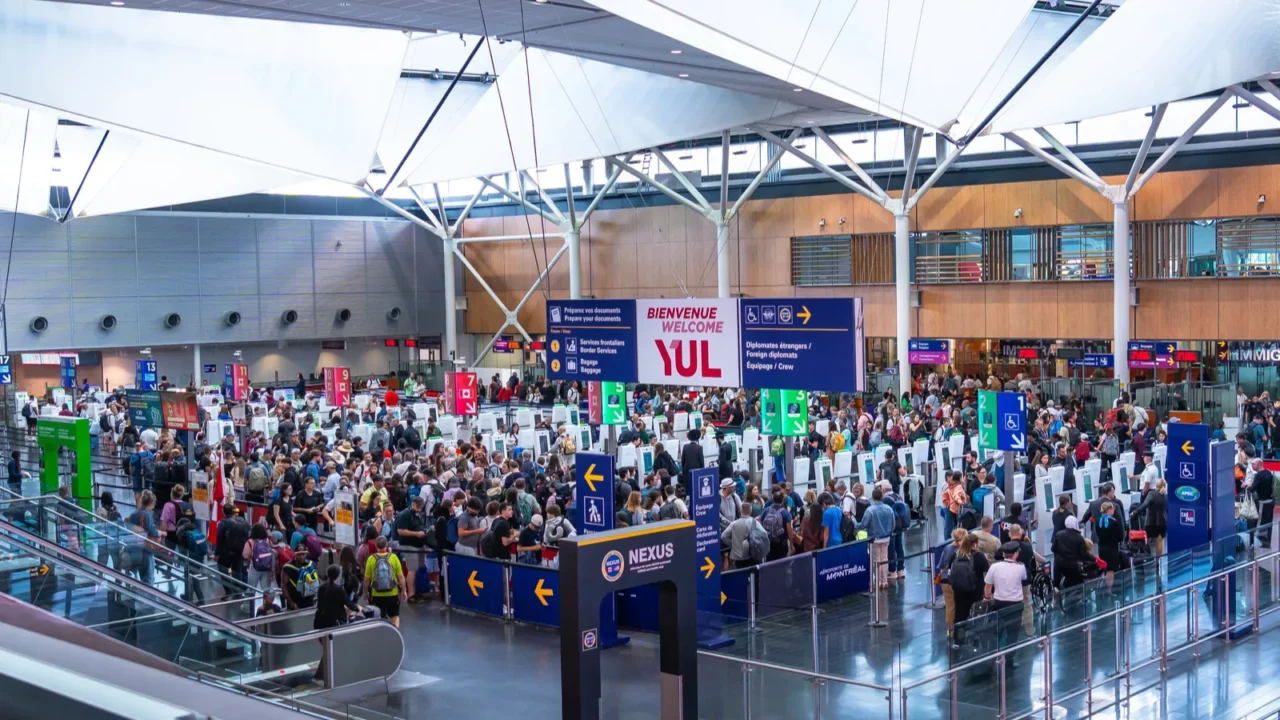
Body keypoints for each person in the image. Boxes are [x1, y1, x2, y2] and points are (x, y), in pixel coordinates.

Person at [314, 564, 362, 682]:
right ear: (337, 575)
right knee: (331, 648)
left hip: (319, 621)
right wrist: (358, 608)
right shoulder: (339, 589)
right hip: (332, 622)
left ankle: (322, 674)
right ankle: (323, 675)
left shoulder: (322, 588)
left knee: (327, 648)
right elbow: (349, 604)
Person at [984, 542, 1028, 649]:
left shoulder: (994, 566)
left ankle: (994, 655)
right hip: (1015, 605)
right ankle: (1009, 660)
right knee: (1013, 634)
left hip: (999, 603)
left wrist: (988, 598)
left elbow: (988, 587)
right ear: (1015, 554)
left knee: (997, 631)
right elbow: (1024, 578)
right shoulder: (1021, 567)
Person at [949, 535, 990, 647]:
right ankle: (974, 639)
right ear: (975, 544)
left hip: (959, 591)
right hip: (975, 590)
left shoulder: (955, 556)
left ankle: (957, 640)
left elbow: (950, 571)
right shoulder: (979, 556)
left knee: (959, 612)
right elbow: (987, 572)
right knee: (976, 613)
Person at [856, 487, 897, 589]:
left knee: (876, 560)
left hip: (874, 539)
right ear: (882, 496)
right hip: (886, 537)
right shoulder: (889, 509)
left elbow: (864, 524)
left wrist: (853, 524)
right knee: (884, 559)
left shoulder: (870, 510)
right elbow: (893, 524)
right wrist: (889, 533)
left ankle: (878, 582)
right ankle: (884, 581)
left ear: (873, 497)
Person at [363, 535, 406, 627]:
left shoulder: (371, 559)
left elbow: (367, 579)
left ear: (376, 546)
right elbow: (401, 577)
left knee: (378, 617)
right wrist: (404, 591)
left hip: (376, 594)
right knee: (394, 616)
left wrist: (365, 592)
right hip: (392, 593)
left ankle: (381, 637)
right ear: (387, 545)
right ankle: (395, 635)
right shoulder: (393, 557)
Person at [396, 495, 430, 603]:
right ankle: (411, 594)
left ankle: (418, 590)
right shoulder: (405, 514)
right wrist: (416, 534)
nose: (419, 509)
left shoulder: (417, 514)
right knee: (412, 569)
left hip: (418, 545)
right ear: (413, 504)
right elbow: (401, 531)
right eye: (417, 506)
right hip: (408, 545)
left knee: (419, 568)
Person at [938, 528, 967, 631]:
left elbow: (941, 566)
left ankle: (950, 630)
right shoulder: (965, 551)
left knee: (950, 607)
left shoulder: (947, 548)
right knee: (960, 606)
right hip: (958, 582)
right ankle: (960, 629)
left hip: (945, 581)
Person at [216, 502, 251, 587]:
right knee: (237, 570)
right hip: (240, 551)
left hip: (226, 552)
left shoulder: (222, 523)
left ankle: (228, 589)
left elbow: (219, 539)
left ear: (223, 512)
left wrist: (217, 553)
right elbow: (248, 535)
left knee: (223, 570)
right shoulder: (243, 521)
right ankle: (237, 589)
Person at [1051, 515, 1090, 590]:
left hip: (1059, 565)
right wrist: (1094, 558)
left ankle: (1056, 588)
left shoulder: (1058, 534)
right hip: (1072, 567)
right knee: (1076, 581)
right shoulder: (1079, 538)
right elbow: (1084, 555)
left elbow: (1053, 549)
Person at [760, 491, 800, 561]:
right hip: (780, 544)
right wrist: (791, 544)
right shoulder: (785, 513)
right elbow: (789, 530)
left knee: (769, 563)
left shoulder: (766, 510)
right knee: (781, 563)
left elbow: (760, 524)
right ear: (783, 500)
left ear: (773, 499)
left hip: (768, 542)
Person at [721, 503, 762, 569]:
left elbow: (723, 536)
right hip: (753, 555)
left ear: (740, 511)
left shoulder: (734, 524)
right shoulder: (756, 523)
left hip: (740, 556)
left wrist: (733, 544)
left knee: (741, 575)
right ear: (751, 511)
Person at [281, 545, 320, 610]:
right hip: (295, 601)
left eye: (303, 554)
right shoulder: (288, 567)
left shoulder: (311, 564)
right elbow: (283, 585)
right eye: (299, 554)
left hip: (309, 599)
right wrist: (290, 602)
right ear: (295, 554)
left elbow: (317, 579)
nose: (301, 557)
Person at [243, 522, 278, 595]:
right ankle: (266, 605)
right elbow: (272, 551)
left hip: (254, 567)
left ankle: (248, 605)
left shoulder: (250, 542)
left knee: (251, 588)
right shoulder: (268, 541)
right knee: (266, 590)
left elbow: (245, 555)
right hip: (267, 567)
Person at [941, 471, 968, 539]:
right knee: (949, 527)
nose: (952, 479)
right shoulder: (947, 486)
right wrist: (957, 502)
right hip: (949, 508)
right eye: (951, 477)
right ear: (947, 478)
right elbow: (952, 496)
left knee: (954, 526)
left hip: (953, 508)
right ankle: (948, 542)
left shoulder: (955, 485)